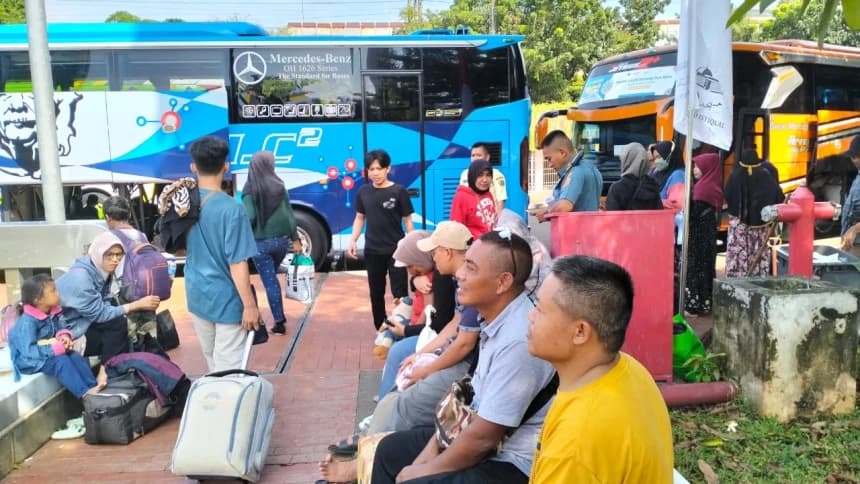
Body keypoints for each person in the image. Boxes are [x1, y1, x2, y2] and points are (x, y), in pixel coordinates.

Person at [370, 230, 556, 484]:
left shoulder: (519, 341)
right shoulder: (494, 319)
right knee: (390, 451)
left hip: (511, 462)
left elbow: (483, 439)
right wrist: (425, 458)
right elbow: (469, 404)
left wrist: (422, 471)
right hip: (482, 439)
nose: (460, 273)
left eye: (471, 267)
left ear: (503, 282)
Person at [527, 255, 674, 482]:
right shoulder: (629, 369)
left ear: (580, 332)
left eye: (540, 309)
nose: (531, 316)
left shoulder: (575, 446)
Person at [185, 136, 260, 373]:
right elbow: (237, 262)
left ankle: (214, 405)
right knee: (229, 369)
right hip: (226, 299)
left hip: (197, 295)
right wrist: (249, 305)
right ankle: (227, 408)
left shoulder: (184, 205)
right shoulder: (232, 209)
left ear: (193, 167)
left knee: (212, 362)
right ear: (225, 167)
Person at [56, 231, 160, 364]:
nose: (115, 260)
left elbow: (104, 303)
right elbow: (100, 315)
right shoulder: (82, 280)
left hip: (83, 321)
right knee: (120, 327)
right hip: (67, 331)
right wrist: (137, 304)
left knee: (126, 324)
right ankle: (110, 371)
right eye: (109, 255)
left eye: (118, 255)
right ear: (98, 253)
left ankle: (125, 368)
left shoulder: (99, 270)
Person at [347, 149, 415, 330]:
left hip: (396, 250)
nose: (375, 173)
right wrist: (353, 240)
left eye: (379, 168)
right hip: (372, 251)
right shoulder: (363, 192)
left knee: (400, 293)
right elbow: (359, 218)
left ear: (388, 169)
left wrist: (412, 243)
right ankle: (380, 327)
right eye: (371, 169)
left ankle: (401, 327)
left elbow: (407, 221)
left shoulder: (399, 191)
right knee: (376, 293)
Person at [8, 274, 107, 396]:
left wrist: (64, 337)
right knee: (61, 361)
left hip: (47, 351)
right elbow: (28, 351)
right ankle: (84, 393)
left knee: (74, 356)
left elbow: (59, 328)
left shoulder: (52, 312)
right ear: (38, 300)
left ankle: (93, 387)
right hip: (28, 360)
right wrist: (55, 349)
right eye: (53, 291)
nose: (58, 293)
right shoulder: (28, 322)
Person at [242, 151, 303, 335]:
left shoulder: (250, 189)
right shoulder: (279, 186)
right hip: (282, 244)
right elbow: (289, 216)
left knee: (270, 281)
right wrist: (295, 239)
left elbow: (250, 216)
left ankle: (279, 321)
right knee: (272, 278)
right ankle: (278, 317)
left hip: (260, 245)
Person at [102, 196, 158, 346]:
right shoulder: (141, 236)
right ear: (129, 215)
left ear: (108, 218)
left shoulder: (108, 237)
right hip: (145, 291)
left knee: (126, 340)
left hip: (122, 295)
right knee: (148, 338)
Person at [724, 149, 785, 277]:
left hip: (739, 228)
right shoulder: (765, 176)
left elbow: (728, 196)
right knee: (758, 255)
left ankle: (738, 280)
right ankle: (758, 279)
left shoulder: (736, 175)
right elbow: (778, 196)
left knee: (740, 258)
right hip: (761, 228)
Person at [684, 152, 723, 316]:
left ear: (707, 168)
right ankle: (706, 303)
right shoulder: (714, 185)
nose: (694, 170)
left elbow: (693, 214)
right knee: (706, 267)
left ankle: (694, 304)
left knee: (695, 268)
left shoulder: (701, 188)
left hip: (697, 235)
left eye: (698, 167)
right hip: (708, 233)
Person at [534, 130, 602, 222]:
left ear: (562, 153)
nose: (549, 165)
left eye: (549, 159)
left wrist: (546, 212)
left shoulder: (575, 173)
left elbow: (564, 206)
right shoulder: (592, 168)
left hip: (576, 233)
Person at [605, 142, 663, 211]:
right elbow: (659, 214)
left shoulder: (616, 188)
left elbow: (611, 218)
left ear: (626, 160)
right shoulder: (652, 185)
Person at [451, 159, 497, 238]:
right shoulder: (461, 197)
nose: (485, 180)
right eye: (480, 175)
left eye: (488, 175)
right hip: (473, 247)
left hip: (490, 245)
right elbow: (456, 229)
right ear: (473, 176)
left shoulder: (488, 194)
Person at [459, 142, 507, 213]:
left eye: (479, 155)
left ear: (487, 157)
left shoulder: (497, 175)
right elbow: (461, 199)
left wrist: (497, 222)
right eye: (473, 155)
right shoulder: (465, 174)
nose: (475, 158)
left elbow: (500, 201)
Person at [649, 141, 686, 209]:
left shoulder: (678, 175)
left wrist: (652, 202)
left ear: (670, 156)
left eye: (659, 157)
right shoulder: (658, 173)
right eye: (655, 158)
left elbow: (676, 204)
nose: (656, 161)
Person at [840, 136, 860, 253]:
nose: (853, 160)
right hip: (852, 243)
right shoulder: (858, 176)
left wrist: (854, 229)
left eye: (855, 157)